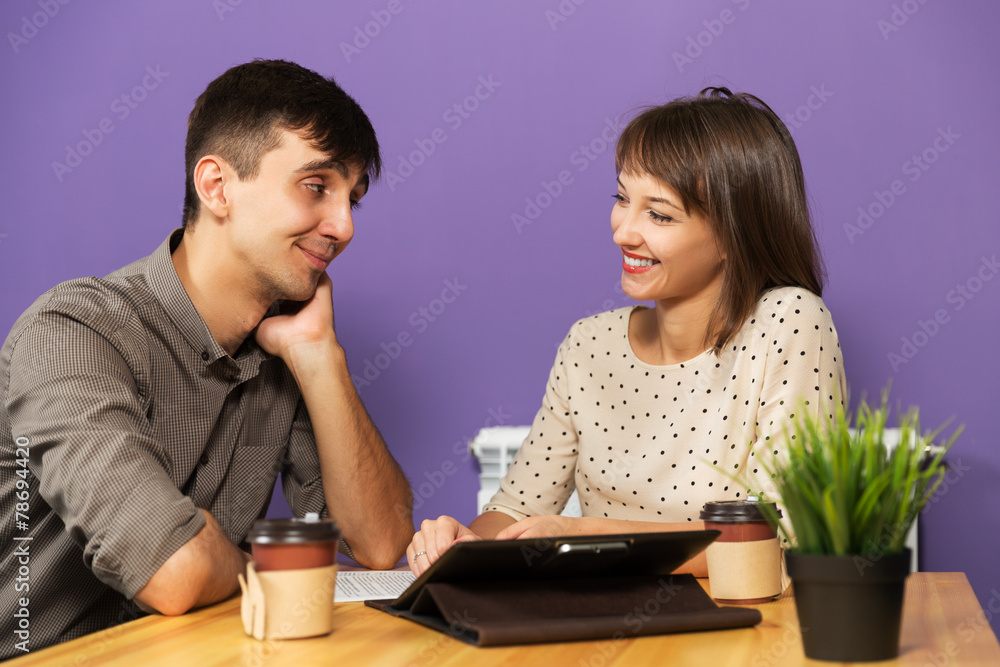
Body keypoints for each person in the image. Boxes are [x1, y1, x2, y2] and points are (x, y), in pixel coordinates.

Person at [0, 59, 412, 657]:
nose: (344, 226)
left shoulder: (282, 346)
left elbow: (379, 544)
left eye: (353, 199)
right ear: (216, 186)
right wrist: (269, 570)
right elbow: (176, 571)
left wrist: (319, 356)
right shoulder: (72, 331)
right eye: (316, 187)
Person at [407, 87, 846, 577]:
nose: (622, 232)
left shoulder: (790, 322)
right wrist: (465, 543)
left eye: (658, 214)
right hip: (608, 631)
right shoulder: (588, 344)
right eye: (622, 198)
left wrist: (586, 538)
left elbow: (778, 536)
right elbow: (517, 509)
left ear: (732, 233)